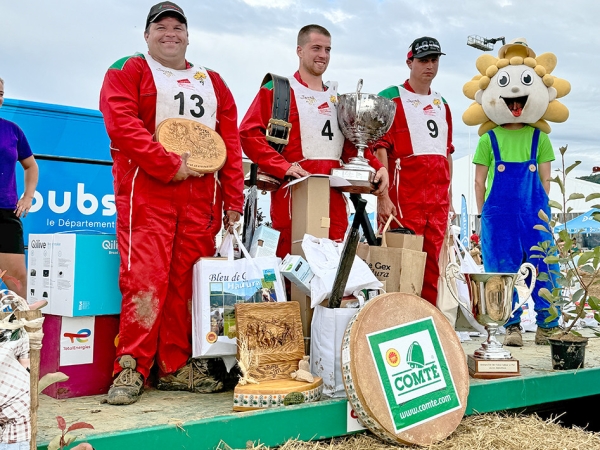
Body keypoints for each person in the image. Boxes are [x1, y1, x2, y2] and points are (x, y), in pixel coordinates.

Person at [99, 2, 244, 405]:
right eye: (160, 26)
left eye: (177, 27)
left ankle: (175, 366)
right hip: (148, 194)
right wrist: (167, 165)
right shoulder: (129, 69)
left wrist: (233, 199)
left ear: (187, 35)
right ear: (146, 35)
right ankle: (130, 367)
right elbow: (121, 123)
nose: (170, 33)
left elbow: (229, 144)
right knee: (144, 280)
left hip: (200, 201)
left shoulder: (213, 81)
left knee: (186, 286)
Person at [239, 24, 388, 259]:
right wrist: (283, 167)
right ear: (299, 50)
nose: (323, 55)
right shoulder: (278, 90)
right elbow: (248, 134)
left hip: (334, 202)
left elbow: (351, 147)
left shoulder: (338, 99)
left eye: (328, 50)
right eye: (316, 48)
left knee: (331, 275)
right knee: (294, 272)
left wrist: (377, 168)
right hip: (294, 196)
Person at [471, 38, 565, 347]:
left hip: (534, 214)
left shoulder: (541, 138)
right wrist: (484, 213)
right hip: (500, 218)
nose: (514, 102)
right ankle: (510, 325)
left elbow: (547, 181)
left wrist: (541, 209)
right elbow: (479, 180)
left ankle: (548, 324)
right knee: (502, 268)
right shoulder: (488, 140)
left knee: (544, 265)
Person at [374, 37, 454, 306]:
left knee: (432, 270)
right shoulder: (391, 97)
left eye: (434, 60)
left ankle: (429, 321)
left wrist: (449, 198)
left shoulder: (443, 103)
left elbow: (447, 153)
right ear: (409, 62)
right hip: (404, 198)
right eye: (423, 60)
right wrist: (382, 197)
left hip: (437, 201)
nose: (429, 66)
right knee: (399, 267)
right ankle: (395, 321)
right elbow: (379, 149)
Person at [0, 77, 39, 299]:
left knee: (18, 283)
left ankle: (20, 332)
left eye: (1, 93)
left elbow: (31, 166)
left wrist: (28, 197)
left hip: (6, 213)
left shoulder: (12, 130)